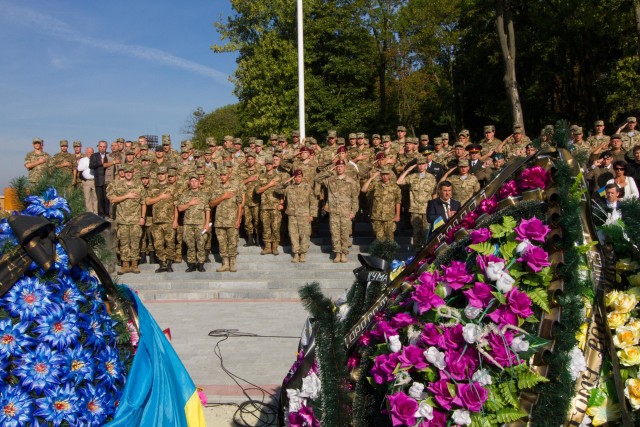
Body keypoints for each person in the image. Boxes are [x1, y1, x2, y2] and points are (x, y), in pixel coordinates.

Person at [315, 160, 359, 263]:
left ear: (345, 168)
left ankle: (344, 253)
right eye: (337, 166)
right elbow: (317, 179)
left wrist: (354, 211)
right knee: (335, 233)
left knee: (344, 233)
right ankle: (337, 253)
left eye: (341, 166)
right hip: (334, 211)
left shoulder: (351, 181)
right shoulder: (330, 180)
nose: (339, 168)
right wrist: (329, 171)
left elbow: (355, 198)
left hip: (346, 211)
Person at [107, 164, 146, 275]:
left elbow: (143, 203)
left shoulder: (139, 186)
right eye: (126, 172)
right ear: (124, 173)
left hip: (135, 220)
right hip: (122, 220)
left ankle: (134, 264)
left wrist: (142, 217)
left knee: (135, 242)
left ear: (133, 173)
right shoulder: (118, 185)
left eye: (130, 172)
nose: (128, 174)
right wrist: (127, 196)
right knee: (123, 243)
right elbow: (112, 199)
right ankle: (125, 265)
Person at [275, 169, 318, 263]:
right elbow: (277, 189)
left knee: (305, 234)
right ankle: (295, 253)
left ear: (302, 177)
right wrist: (287, 181)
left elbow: (313, 202)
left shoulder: (308, 187)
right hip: (292, 215)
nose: (298, 178)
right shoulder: (289, 188)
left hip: (304, 215)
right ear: (293, 178)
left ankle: (302, 253)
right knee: (293, 234)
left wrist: (312, 215)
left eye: (299, 176)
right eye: (296, 177)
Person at [397, 156, 437, 250]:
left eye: (423, 164)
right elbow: (399, 182)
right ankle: (416, 251)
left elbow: (434, 193)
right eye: (419, 164)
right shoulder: (412, 177)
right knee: (416, 232)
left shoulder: (431, 177)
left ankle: (426, 251)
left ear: (426, 165)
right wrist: (408, 170)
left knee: (427, 232)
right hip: (415, 209)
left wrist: (434, 208)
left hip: (427, 209)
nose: (421, 166)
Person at [209, 169, 243, 272]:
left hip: (232, 220)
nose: (222, 176)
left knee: (232, 242)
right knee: (222, 243)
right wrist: (222, 197)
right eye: (221, 175)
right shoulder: (216, 188)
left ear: (229, 175)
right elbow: (211, 204)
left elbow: (239, 204)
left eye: (224, 174)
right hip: (219, 221)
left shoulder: (235, 187)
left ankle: (232, 263)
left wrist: (238, 219)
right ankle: (225, 263)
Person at [145, 166, 177, 273]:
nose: (161, 176)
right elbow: (148, 202)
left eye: (163, 174)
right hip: (156, 221)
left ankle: (169, 263)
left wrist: (175, 220)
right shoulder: (152, 188)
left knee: (170, 243)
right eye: (159, 174)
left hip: (169, 220)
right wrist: (160, 197)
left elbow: (176, 205)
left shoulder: (172, 188)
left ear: (167, 175)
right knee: (158, 243)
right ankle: (162, 263)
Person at [177, 175, 211, 273]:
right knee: (190, 244)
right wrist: (190, 203)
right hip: (188, 223)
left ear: (199, 183)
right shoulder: (184, 195)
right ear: (189, 183)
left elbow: (207, 209)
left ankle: (200, 264)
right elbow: (180, 208)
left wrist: (207, 223)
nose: (194, 183)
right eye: (192, 181)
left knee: (201, 244)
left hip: (200, 223)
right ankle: (191, 264)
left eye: (196, 181)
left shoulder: (204, 195)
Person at [256, 157, 286, 255]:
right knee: (266, 227)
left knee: (276, 227)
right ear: (265, 165)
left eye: (270, 164)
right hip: (264, 207)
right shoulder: (261, 177)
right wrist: (270, 184)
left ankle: (275, 247)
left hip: (275, 206)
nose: (268, 165)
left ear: (273, 165)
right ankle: (267, 247)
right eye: (267, 164)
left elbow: (283, 191)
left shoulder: (279, 176)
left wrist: (281, 203)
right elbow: (258, 190)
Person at [362, 167, 401, 242]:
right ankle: (380, 254)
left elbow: (398, 201)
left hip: (389, 217)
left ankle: (389, 254)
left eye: (386, 174)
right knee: (379, 240)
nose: (385, 176)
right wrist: (372, 177)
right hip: (377, 217)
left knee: (390, 239)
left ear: (389, 175)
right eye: (383, 174)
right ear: (380, 175)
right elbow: (363, 189)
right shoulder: (376, 185)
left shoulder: (395, 187)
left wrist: (398, 215)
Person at [90, 140, 117, 218]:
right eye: (100, 146)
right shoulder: (94, 156)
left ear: (106, 147)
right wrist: (100, 162)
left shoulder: (109, 155)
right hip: (99, 180)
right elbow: (91, 165)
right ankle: (101, 214)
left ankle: (108, 214)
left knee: (107, 198)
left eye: (104, 147)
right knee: (100, 198)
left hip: (108, 180)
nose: (102, 148)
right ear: (98, 147)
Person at [77, 147, 97, 213]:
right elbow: (79, 168)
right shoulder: (82, 160)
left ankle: (96, 212)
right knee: (87, 198)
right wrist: (89, 165)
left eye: (91, 152)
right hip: (86, 182)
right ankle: (89, 212)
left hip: (94, 180)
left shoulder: (96, 158)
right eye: (89, 152)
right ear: (86, 153)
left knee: (96, 197)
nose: (90, 154)